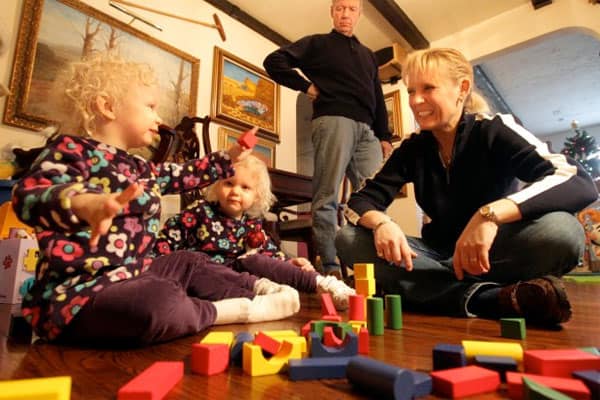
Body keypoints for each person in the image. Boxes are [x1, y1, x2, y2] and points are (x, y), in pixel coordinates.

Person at [12, 55, 300, 346]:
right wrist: (81, 204)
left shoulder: (139, 167)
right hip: (79, 294)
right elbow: (28, 197)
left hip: (137, 273)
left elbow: (184, 174)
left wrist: (229, 157)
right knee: (156, 301)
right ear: (107, 106)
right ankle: (226, 310)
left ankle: (260, 290)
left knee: (189, 260)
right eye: (150, 107)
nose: (159, 118)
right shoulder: (67, 151)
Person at [335, 48, 598, 326]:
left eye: (428, 88)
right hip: (435, 255)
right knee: (348, 239)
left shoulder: (494, 129)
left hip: (492, 253)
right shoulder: (410, 148)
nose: (416, 100)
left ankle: (427, 289)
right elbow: (360, 200)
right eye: (411, 90)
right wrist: (381, 224)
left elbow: (576, 179)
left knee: (563, 232)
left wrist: (489, 215)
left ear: (462, 89)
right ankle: (490, 298)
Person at [263, 0, 393, 278]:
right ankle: (332, 268)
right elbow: (273, 61)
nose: (345, 14)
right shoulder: (317, 44)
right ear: (332, 11)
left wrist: (384, 136)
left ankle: (376, 269)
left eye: (351, 9)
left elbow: (378, 98)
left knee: (376, 197)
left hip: (367, 131)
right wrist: (305, 86)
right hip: (333, 119)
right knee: (327, 196)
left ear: (359, 14)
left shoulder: (369, 56)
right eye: (340, 8)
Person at [154, 155, 356, 310]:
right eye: (229, 183)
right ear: (217, 185)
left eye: (245, 188)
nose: (235, 191)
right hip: (211, 278)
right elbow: (170, 235)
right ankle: (269, 299)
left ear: (256, 196)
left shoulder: (252, 223)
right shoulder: (199, 211)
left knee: (255, 259)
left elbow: (268, 251)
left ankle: (324, 284)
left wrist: (287, 262)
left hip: (244, 274)